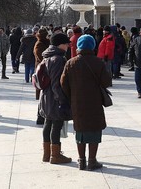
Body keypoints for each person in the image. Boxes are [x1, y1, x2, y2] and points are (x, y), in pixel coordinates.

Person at [61, 34, 112, 171]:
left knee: (80, 131)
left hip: (77, 102)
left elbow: (63, 83)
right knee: (94, 130)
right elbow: (107, 82)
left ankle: (81, 160)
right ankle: (92, 160)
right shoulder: (98, 62)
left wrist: (72, 95)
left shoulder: (70, 63)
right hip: (94, 102)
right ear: (92, 46)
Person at [39, 32, 73, 164]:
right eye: (66, 44)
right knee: (56, 124)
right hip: (54, 97)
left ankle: (47, 154)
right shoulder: (58, 59)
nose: (68, 46)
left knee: (48, 123)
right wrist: (62, 100)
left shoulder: (47, 56)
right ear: (60, 45)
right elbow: (56, 83)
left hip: (46, 96)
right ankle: (55, 155)